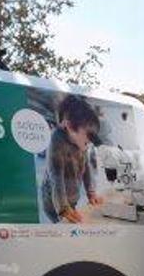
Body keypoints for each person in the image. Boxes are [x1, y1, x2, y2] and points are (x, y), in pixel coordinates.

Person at [40, 94, 103, 223]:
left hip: (72, 197)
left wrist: (91, 193)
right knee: (65, 227)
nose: (90, 141)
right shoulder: (57, 140)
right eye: (89, 135)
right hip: (54, 202)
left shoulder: (80, 141)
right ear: (69, 126)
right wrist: (63, 208)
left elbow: (86, 169)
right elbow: (56, 177)